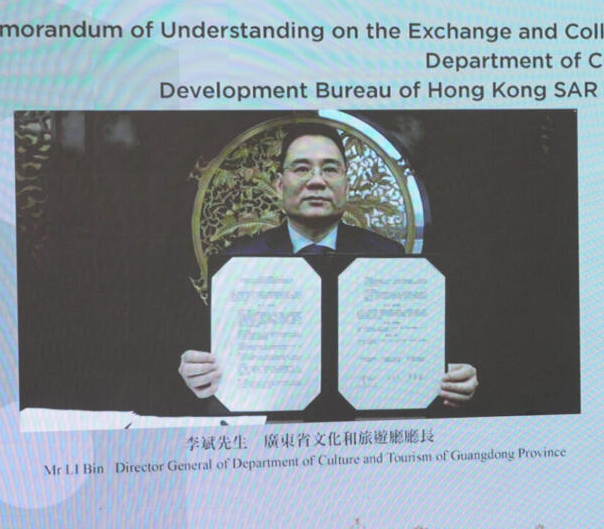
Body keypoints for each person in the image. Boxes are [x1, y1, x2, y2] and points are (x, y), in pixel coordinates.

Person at [177, 125, 478, 405]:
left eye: (330, 169)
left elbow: (411, 351)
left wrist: (452, 378)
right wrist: (196, 371)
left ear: (346, 186)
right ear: (280, 185)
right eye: (301, 169)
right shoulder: (239, 264)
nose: (317, 181)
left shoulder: (387, 257)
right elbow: (213, 356)